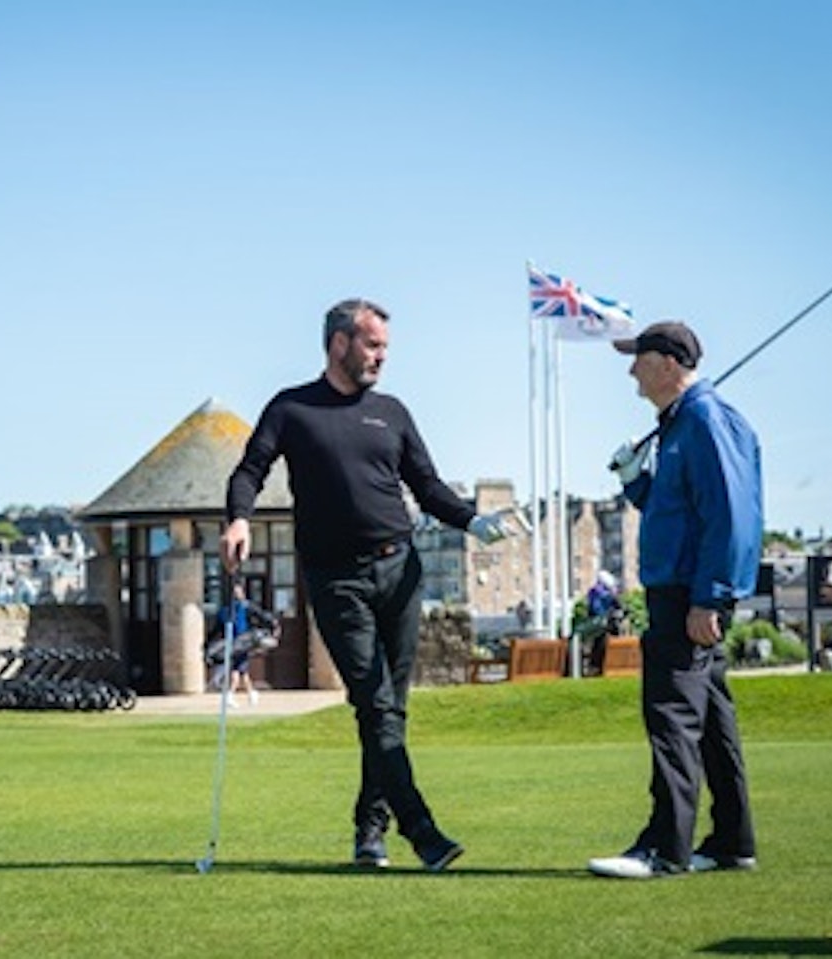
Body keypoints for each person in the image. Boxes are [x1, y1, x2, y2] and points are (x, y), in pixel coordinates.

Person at [222, 297, 518, 872]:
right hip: (336, 580)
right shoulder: (291, 408)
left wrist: (473, 522)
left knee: (389, 710)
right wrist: (238, 518)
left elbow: (428, 487)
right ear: (339, 344)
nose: (382, 356)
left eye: (385, 347)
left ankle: (369, 831)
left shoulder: (393, 411)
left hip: (401, 571)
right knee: (375, 703)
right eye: (373, 345)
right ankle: (422, 831)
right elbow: (249, 471)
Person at [587, 321, 761, 879]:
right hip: (684, 589)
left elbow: (730, 516)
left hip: (690, 593)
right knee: (710, 721)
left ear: (666, 363)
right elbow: (672, 507)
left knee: (673, 716)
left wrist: (709, 597)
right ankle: (732, 841)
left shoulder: (706, 419)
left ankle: (665, 848)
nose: (631, 368)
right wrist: (634, 482)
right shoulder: (680, 424)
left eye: (638, 357)